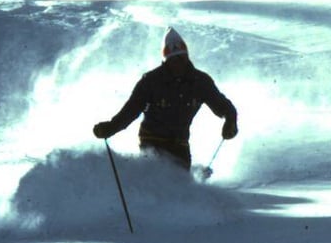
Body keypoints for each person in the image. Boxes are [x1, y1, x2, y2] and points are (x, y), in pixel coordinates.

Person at [92, 27, 238, 170]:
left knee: (179, 184)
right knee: (153, 180)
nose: (178, 64)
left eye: (182, 58)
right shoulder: (151, 81)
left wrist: (230, 121)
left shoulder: (200, 81)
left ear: (187, 57)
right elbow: (131, 110)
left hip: (180, 143)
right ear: (166, 60)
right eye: (174, 60)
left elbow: (223, 106)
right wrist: (111, 127)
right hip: (152, 141)